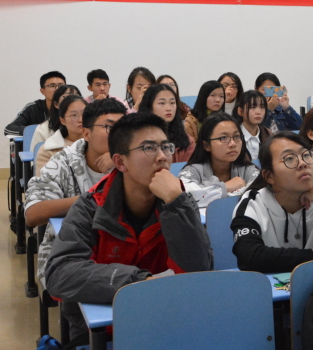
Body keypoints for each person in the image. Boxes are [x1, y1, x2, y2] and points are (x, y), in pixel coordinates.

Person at [45, 112, 214, 340]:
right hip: (104, 334)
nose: (162, 157)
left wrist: (176, 204)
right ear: (120, 162)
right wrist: (140, 282)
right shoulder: (92, 206)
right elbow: (60, 273)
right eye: (148, 148)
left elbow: (200, 272)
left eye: (166, 147)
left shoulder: (178, 201)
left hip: (166, 323)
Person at [24, 98, 127, 287]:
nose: (118, 135)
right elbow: (33, 214)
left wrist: (121, 161)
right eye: (109, 127)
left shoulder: (132, 160)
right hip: (74, 254)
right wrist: (92, 199)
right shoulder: (62, 162)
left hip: (123, 250)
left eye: (123, 128)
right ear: (86, 133)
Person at [231, 132, 313, 273]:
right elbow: (248, 256)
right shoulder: (253, 204)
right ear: (269, 176)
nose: (302, 163)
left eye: (306, 155)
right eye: (289, 158)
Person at [178, 112, 259, 209]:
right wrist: (226, 187)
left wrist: (208, 193)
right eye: (223, 138)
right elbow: (185, 198)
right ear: (206, 145)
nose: (233, 144)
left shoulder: (249, 170)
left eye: (237, 136)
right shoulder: (192, 171)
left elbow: (258, 194)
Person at [138, 83, 196, 162]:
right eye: (162, 103)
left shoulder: (187, 140)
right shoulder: (138, 137)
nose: (168, 108)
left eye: (172, 103)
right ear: (149, 107)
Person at [34, 95, 87, 174]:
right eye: (74, 115)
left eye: (85, 114)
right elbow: (43, 180)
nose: (80, 120)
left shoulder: (98, 145)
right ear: (62, 120)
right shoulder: (49, 150)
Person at [5, 71, 66, 136]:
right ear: (43, 91)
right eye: (52, 86)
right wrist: (39, 131)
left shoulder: (71, 107)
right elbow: (9, 129)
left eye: (61, 86)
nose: (57, 89)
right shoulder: (33, 108)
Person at [31, 84, 82, 151]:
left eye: (76, 97)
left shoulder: (88, 125)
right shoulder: (42, 129)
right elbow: (35, 155)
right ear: (56, 104)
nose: (71, 101)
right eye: (65, 97)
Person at [235, 90, 272, 161]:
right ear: (240, 111)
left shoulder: (268, 134)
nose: (258, 112)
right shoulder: (233, 136)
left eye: (262, 107)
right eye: (252, 107)